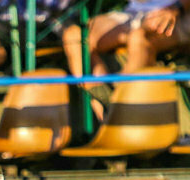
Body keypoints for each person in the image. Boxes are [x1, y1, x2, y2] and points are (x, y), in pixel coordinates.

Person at [62, 0, 190, 117]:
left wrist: (175, 9)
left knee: (138, 37)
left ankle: (122, 108)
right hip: (132, 14)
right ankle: (109, 110)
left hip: (179, 12)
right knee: (74, 36)